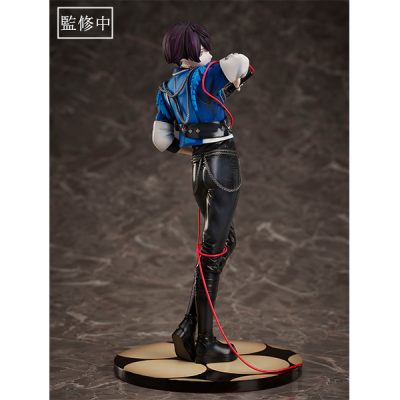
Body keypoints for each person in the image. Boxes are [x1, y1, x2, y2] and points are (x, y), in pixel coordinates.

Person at [152, 21, 250, 364]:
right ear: (195, 49)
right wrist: (231, 76)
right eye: (203, 46)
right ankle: (205, 342)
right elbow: (241, 62)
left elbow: (161, 140)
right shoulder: (206, 74)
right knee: (212, 251)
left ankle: (188, 325)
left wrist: (194, 150)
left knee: (225, 242)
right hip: (222, 164)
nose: (207, 51)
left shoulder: (167, 88)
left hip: (199, 168)